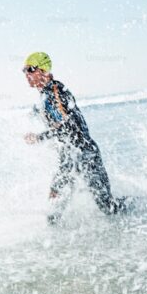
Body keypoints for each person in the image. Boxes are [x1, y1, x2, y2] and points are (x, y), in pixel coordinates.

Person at [22, 51, 128, 224]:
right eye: (24, 70)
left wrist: (40, 137)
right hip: (69, 155)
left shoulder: (56, 91)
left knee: (108, 206)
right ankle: (53, 245)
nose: (26, 74)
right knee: (54, 208)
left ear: (43, 70)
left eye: (30, 69)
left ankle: (136, 206)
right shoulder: (44, 95)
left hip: (86, 154)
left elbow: (69, 127)